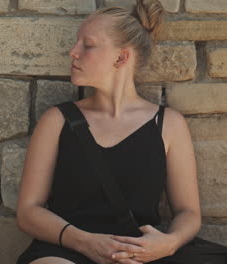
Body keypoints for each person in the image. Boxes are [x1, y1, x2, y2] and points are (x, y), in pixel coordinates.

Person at [15, 0, 203, 263]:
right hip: (66, 251)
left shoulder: (169, 124)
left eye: (87, 45)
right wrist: (85, 242)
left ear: (121, 57)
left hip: (139, 255)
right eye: (76, 43)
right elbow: (28, 212)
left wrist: (169, 243)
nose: (73, 52)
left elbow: (188, 212)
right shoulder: (57, 121)